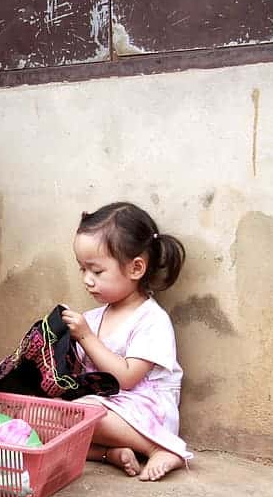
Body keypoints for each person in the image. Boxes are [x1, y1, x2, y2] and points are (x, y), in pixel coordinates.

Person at [61, 202, 192, 481]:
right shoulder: (94, 317)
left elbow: (127, 379)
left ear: (136, 268)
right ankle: (111, 453)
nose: (87, 280)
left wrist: (85, 337)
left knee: (83, 413)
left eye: (96, 271)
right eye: (81, 269)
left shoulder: (151, 320)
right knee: (47, 415)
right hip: (104, 406)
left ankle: (159, 447)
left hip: (144, 410)